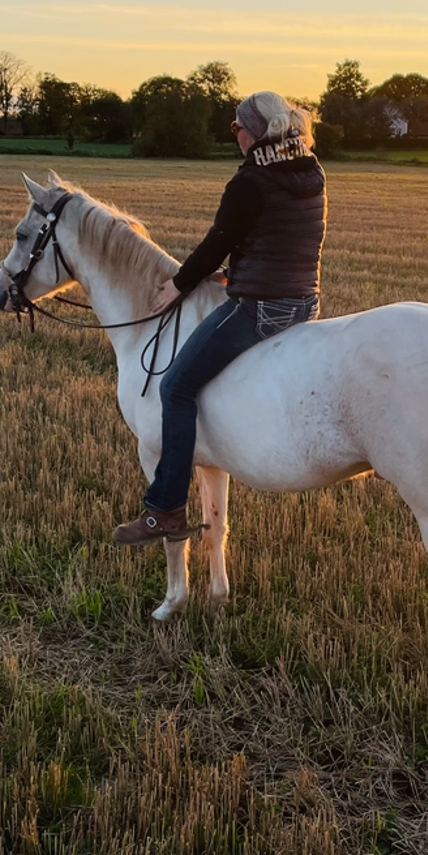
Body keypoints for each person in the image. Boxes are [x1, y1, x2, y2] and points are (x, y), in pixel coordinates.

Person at [114, 92, 327, 545]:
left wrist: (180, 283)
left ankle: (165, 509)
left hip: (259, 308)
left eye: (235, 128)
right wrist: (233, 273)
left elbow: (218, 240)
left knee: (175, 386)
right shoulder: (309, 170)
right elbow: (287, 242)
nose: (234, 135)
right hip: (302, 302)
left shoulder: (251, 181)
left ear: (252, 131)